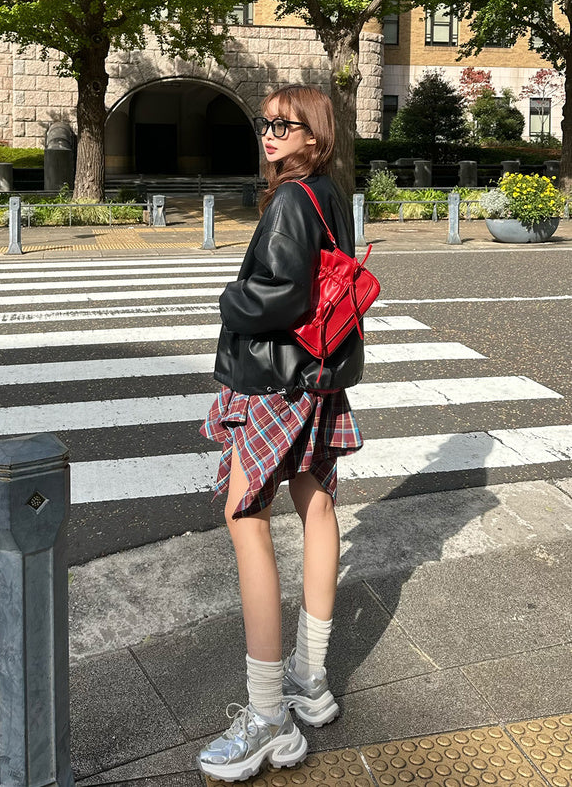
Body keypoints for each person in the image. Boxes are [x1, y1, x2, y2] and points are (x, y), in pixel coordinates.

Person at [197, 84, 364, 782]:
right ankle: (309, 680)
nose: (269, 133)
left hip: (275, 380)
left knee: (245, 517)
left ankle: (269, 716)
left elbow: (285, 296)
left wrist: (229, 297)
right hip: (317, 378)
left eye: (284, 125)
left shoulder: (291, 199)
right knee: (317, 505)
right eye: (265, 122)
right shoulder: (328, 193)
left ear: (313, 136)